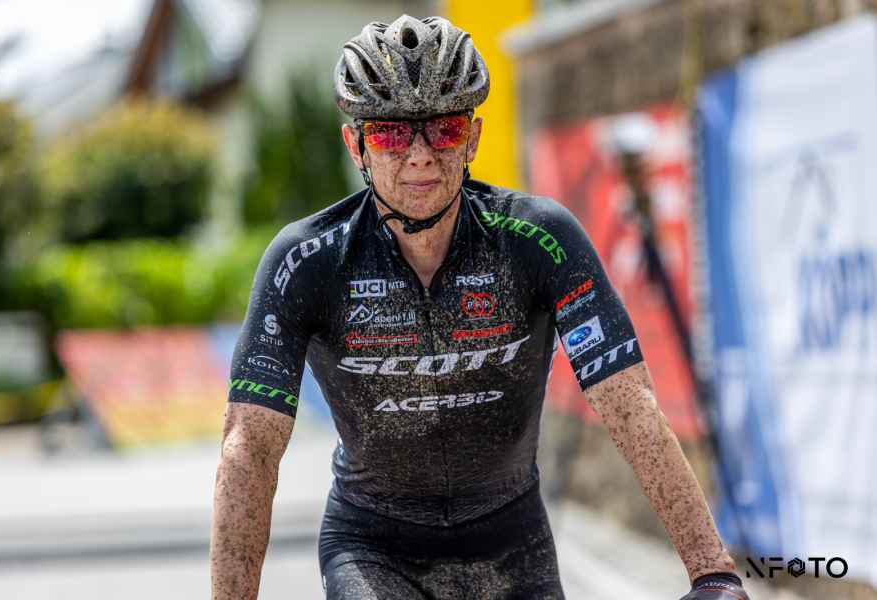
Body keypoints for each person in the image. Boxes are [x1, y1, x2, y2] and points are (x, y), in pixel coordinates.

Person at [210, 14, 750, 600]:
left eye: (443, 130)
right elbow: (249, 448)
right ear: (355, 144)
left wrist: (712, 571)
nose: (420, 156)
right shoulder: (306, 261)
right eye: (391, 134)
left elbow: (629, 405)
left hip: (512, 545)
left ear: (472, 138)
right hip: (374, 550)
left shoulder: (538, 240)